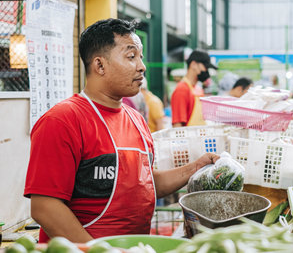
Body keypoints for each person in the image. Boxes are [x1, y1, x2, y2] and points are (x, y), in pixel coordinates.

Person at [24, 19, 219, 243]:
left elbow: (144, 182)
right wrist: (96, 251)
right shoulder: (63, 120)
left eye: (141, 57)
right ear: (100, 66)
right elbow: (44, 207)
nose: (142, 66)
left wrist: (196, 167)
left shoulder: (136, 119)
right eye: (131, 56)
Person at [171, 49, 217, 127]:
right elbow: (177, 127)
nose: (206, 71)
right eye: (205, 67)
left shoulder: (198, 89)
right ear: (193, 64)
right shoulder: (182, 90)